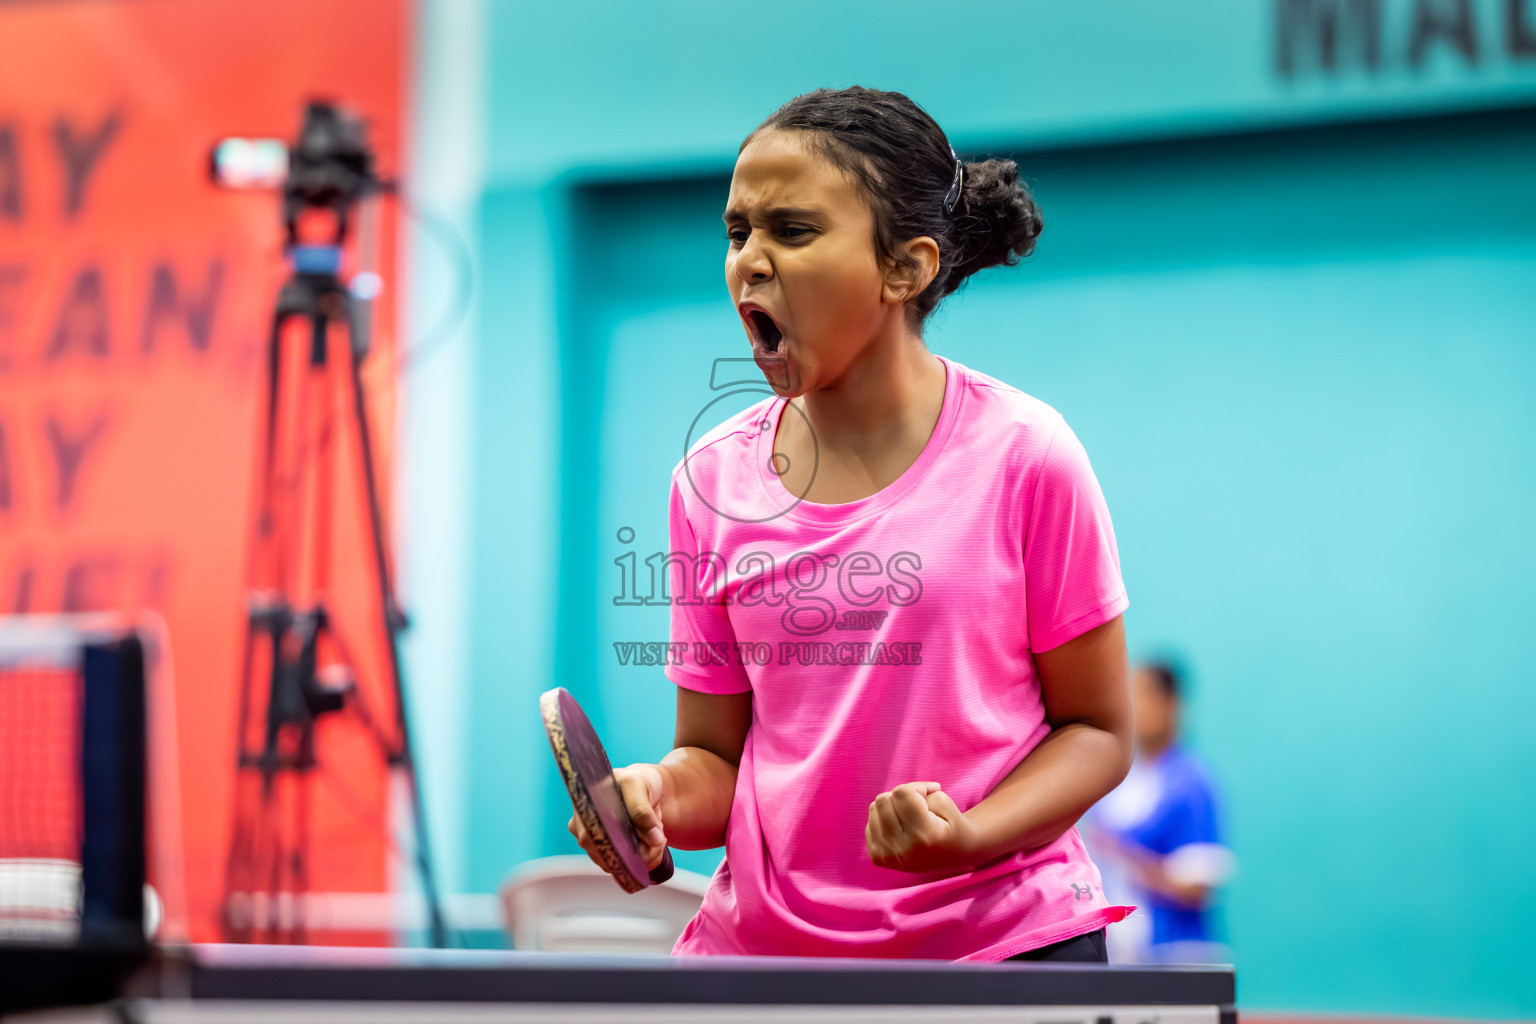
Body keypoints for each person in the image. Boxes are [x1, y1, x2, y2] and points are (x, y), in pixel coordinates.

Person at [569, 86, 1135, 962]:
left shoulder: (1028, 454)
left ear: (903, 269)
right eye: (737, 232)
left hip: (1001, 947)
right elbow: (716, 766)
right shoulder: (708, 480)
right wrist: (652, 795)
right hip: (768, 960)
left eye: (791, 232)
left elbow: (1097, 732)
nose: (748, 262)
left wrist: (971, 837)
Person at [1083, 661, 1234, 964]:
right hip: (1121, 956)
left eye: (1145, 696)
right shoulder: (1116, 782)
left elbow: (1196, 889)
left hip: (1176, 954)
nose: (1136, 708)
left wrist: (1125, 858)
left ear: (1172, 706)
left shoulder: (1192, 784)